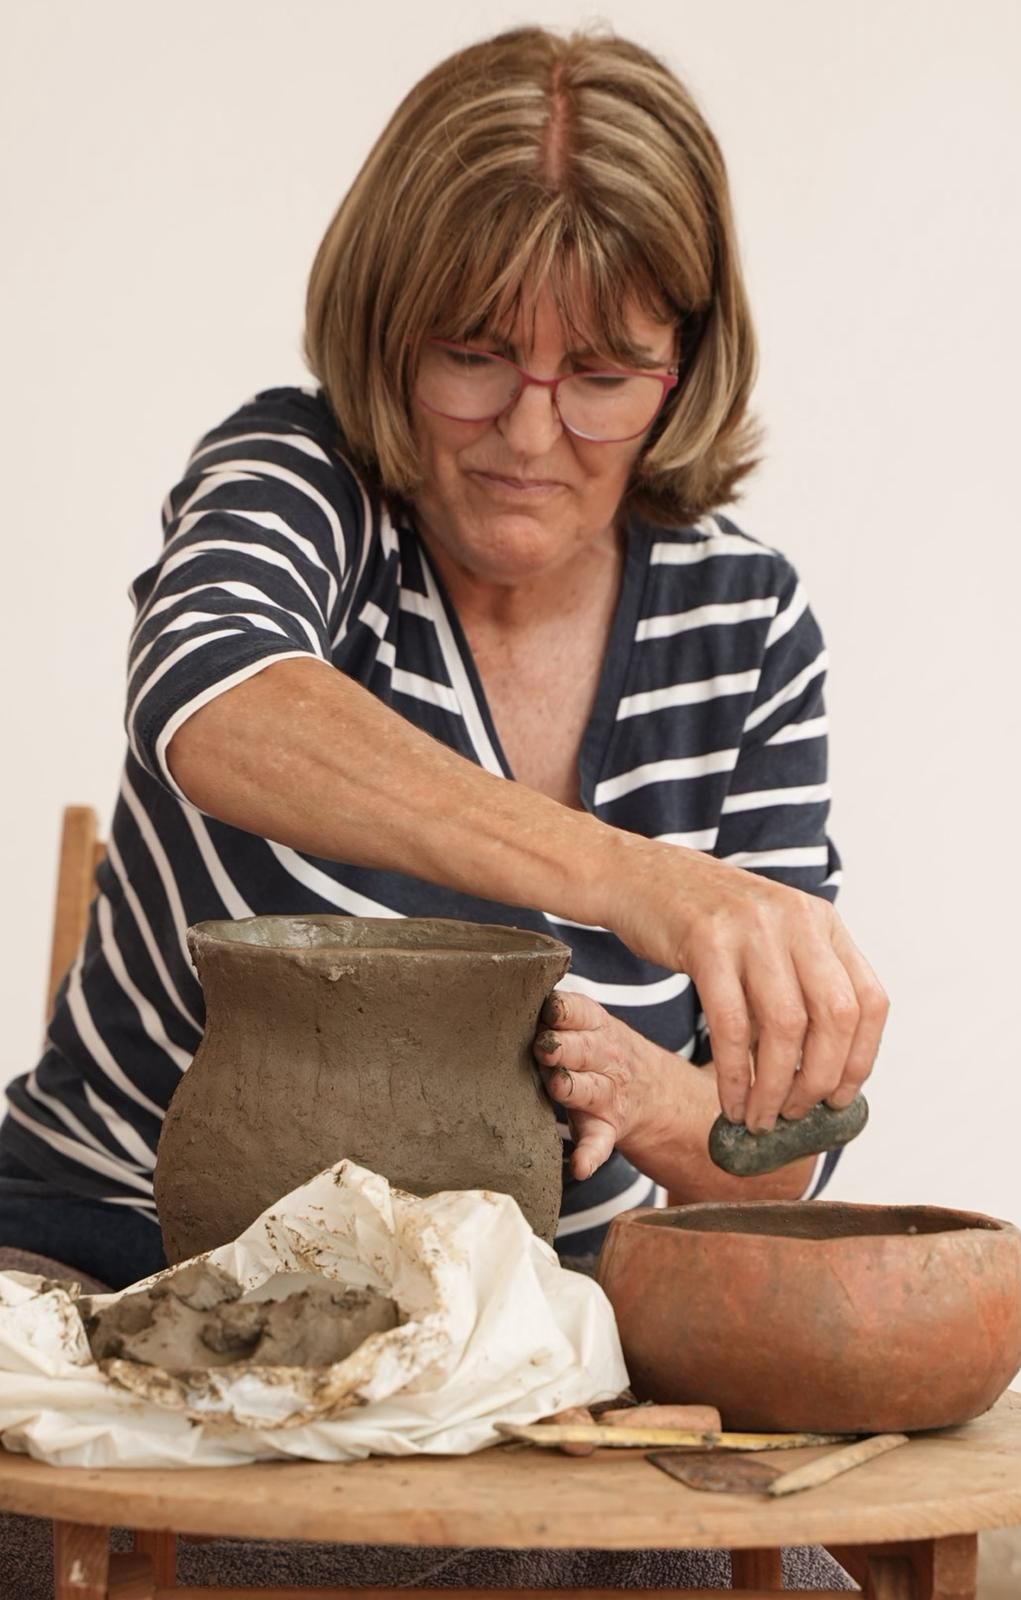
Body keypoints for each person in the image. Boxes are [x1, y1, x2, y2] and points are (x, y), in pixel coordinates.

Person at [0, 25, 887, 1292]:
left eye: (599, 372)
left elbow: (772, 1163)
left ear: (678, 369)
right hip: (119, 1259)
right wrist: (638, 883)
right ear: (388, 327)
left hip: (525, 1328)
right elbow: (216, 698)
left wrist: (643, 1091)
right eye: (471, 354)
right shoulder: (303, 480)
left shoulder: (738, 621)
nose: (531, 432)